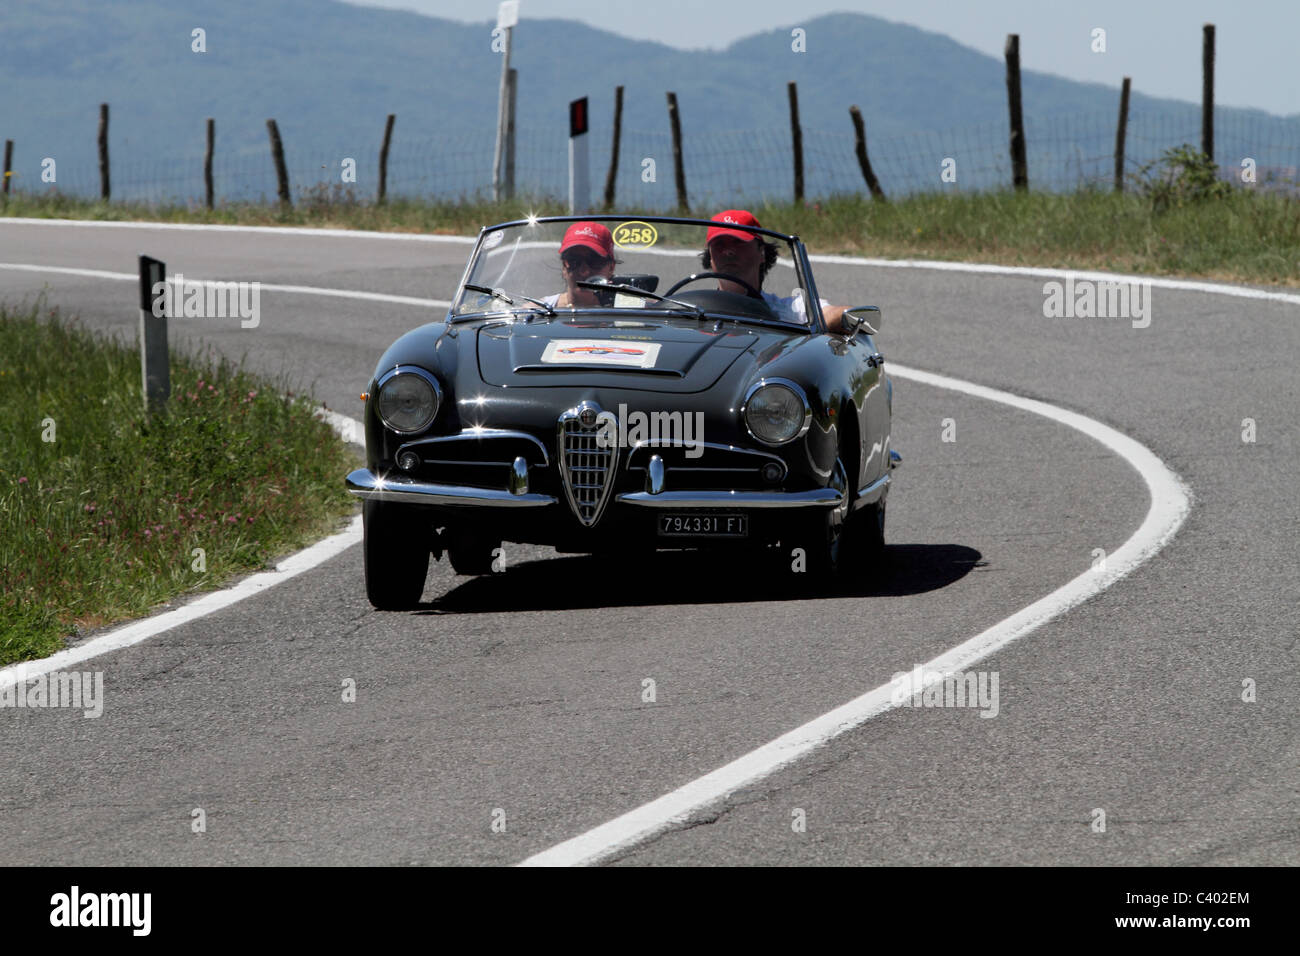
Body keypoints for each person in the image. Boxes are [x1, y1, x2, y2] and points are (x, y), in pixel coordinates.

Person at [702, 209, 850, 333]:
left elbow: (830, 314)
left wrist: (849, 317)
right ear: (710, 257)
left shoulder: (789, 311)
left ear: (762, 252)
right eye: (719, 244)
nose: (728, 251)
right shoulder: (690, 309)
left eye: (738, 242)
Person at [543, 222, 617, 308]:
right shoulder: (537, 312)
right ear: (564, 267)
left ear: (611, 267)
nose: (584, 271)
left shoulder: (629, 312)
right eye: (574, 260)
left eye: (594, 261)